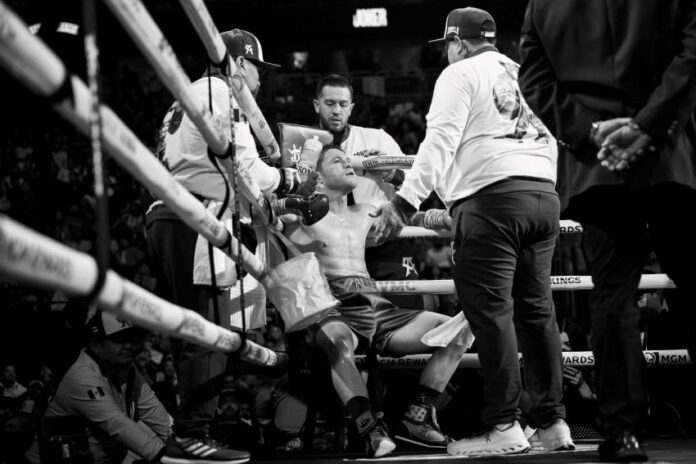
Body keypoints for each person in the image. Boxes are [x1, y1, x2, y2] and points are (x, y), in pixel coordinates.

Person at [371, 7, 574, 457]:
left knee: (491, 313)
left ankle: (504, 424)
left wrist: (403, 203)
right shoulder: (522, 72)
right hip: (543, 196)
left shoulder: (460, 73)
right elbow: (549, 139)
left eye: (447, 45)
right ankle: (552, 423)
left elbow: (439, 142)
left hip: (493, 205)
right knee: (537, 313)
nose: (446, 54)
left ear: (458, 43)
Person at [518, 1, 696, 461]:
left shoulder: (543, 3)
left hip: (595, 166)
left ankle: (623, 432)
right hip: (669, 157)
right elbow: (691, 55)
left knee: (613, 299)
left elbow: (534, 79)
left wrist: (593, 131)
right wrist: (646, 127)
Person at [146, 29, 312, 464]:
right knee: (208, 331)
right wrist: (289, 179)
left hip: (170, 215)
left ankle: (193, 431)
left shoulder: (190, 93)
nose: (260, 80)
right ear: (238, 64)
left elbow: (228, 169)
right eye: (257, 69)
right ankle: (190, 435)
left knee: (198, 329)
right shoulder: (221, 91)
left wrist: (270, 201)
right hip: (196, 216)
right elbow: (245, 166)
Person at [284, 146, 472, 457]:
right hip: (333, 302)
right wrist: (297, 184)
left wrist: (449, 217)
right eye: (338, 161)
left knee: (460, 329)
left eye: (349, 160)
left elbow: (413, 216)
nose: (348, 164)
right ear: (319, 176)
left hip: (375, 302)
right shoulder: (300, 214)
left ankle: (417, 417)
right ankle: (370, 429)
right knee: (338, 343)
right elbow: (270, 212)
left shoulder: (366, 211)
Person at [313, 74, 422, 309]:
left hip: (385, 245)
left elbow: (415, 182)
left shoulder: (377, 138)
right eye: (330, 103)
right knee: (353, 323)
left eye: (343, 104)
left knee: (406, 314)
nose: (336, 111)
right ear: (316, 105)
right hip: (334, 253)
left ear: (351, 108)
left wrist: (389, 173)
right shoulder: (305, 147)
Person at [24, 311, 172, 464]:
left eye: (130, 338)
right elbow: (117, 424)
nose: (128, 346)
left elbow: (153, 410)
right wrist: (162, 455)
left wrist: (180, 440)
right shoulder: (82, 376)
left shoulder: (126, 369)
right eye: (119, 340)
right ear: (95, 345)